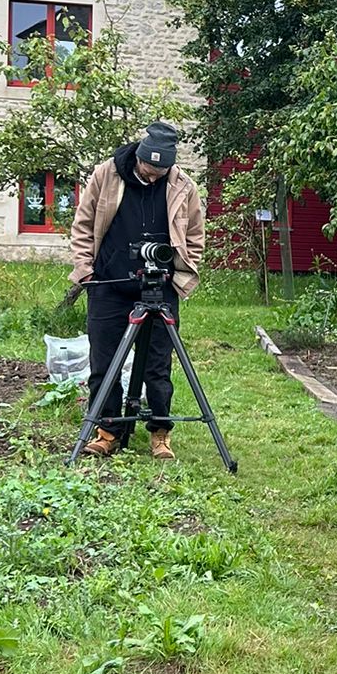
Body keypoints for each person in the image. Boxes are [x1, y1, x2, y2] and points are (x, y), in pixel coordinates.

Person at [69, 121, 205, 460]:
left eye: (162, 169)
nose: (155, 175)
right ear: (139, 158)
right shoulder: (107, 174)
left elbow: (196, 235)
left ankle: (160, 433)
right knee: (104, 362)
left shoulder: (182, 186)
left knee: (158, 366)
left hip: (160, 287)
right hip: (108, 285)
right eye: (150, 168)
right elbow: (83, 224)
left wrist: (182, 272)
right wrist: (85, 269)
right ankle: (108, 431)